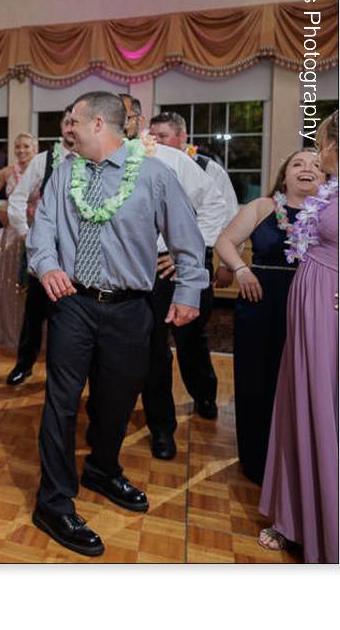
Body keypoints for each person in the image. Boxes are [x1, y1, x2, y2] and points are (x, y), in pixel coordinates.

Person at [27, 92, 205, 557]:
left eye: (75, 123)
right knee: (61, 402)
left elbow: (188, 240)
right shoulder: (65, 172)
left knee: (117, 399)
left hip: (130, 307)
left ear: (100, 125)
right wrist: (47, 265)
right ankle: (54, 501)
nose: (69, 131)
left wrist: (188, 292)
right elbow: (42, 229)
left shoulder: (153, 175)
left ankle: (103, 469)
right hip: (72, 303)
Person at [119, 94, 226, 460]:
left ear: (138, 121)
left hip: (159, 268)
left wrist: (186, 255)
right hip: (114, 272)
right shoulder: (91, 163)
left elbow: (215, 204)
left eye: (125, 114)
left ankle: (162, 427)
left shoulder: (168, 158)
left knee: (156, 352)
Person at [257, 111, 338, 563]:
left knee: (325, 407)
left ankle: (327, 521)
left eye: (320, 143)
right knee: (301, 406)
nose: (314, 155)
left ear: (332, 144)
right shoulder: (329, 190)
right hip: (309, 311)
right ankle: (298, 515)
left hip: (330, 310)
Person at [215, 149, 322, 484]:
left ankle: (297, 463)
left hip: (309, 303)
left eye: (316, 165)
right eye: (298, 164)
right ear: (284, 174)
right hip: (260, 301)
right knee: (257, 379)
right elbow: (225, 241)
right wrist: (241, 270)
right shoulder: (263, 208)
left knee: (302, 382)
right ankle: (257, 459)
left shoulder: (332, 213)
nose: (307, 169)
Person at [147, 111, 240, 420]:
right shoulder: (144, 164)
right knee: (154, 341)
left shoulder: (207, 168)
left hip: (191, 262)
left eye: (164, 136)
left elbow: (224, 213)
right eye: (154, 135)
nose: (157, 141)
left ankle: (204, 395)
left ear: (182, 138)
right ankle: (157, 410)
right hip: (155, 266)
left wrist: (184, 253)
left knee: (191, 338)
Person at [3, 105, 77, 385]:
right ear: (61, 126)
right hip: (46, 254)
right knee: (34, 314)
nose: (70, 128)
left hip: (79, 257)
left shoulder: (95, 158)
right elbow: (18, 198)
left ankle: (64, 373)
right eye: (67, 122)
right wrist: (27, 234)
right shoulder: (44, 160)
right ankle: (24, 364)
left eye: (75, 122)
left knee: (71, 317)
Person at [0, 132, 38, 350]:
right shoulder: (7, 172)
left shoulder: (40, 171)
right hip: (12, 234)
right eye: (18, 146)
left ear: (35, 148)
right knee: (11, 284)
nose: (21, 150)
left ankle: (33, 338)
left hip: (35, 232)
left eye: (26, 146)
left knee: (33, 287)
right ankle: (11, 334)